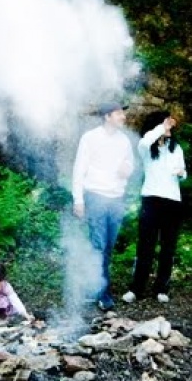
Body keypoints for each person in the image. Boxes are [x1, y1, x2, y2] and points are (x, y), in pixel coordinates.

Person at [71, 101, 134, 311]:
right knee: (99, 245)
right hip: (96, 196)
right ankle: (103, 293)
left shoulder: (124, 141)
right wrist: (78, 199)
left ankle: (96, 285)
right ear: (107, 116)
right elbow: (79, 169)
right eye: (119, 114)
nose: (123, 117)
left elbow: (129, 164)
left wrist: (127, 170)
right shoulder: (90, 138)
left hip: (116, 199)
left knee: (108, 246)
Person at [123, 111, 187, 305]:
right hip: (151, 199)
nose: (170, 126)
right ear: (157, 125)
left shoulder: (176, 149)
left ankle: (161, 288)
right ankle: (136, 288)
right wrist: (162, 127)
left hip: (173, 201)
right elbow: (144, 141)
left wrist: (182, 173)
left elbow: (184, 173)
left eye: (170, 123)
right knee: (146, 246)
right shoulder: (147, 149)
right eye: (166, 122)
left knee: (168, 247)